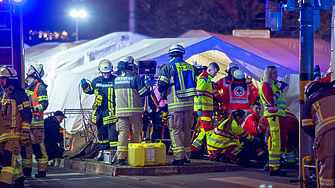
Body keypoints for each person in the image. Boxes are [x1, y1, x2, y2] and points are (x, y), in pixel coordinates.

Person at [158, 44, 197, 166]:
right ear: (182, 53)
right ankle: (187, 156)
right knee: (187, 129)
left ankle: (179, 158)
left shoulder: (168, 67)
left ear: (171, 54)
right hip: (189, 105)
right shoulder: (190, 67)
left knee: (175, 130)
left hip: (175, 104)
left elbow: (161, 86)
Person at [114, 56, 151, 165]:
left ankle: (120, 159)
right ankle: (134, 158)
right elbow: (143, 92)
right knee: (135, 134)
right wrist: (148, 85)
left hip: (120, 113)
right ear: (129, 66)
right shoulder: (136, 79)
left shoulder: (116, 79)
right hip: (134, 112)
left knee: (122, 135)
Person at [81, 59, 119, 161]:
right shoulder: (96, 81)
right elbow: (89, 91)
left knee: (113, 136)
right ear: (100, 71)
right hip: (99, 114)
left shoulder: (116, 80)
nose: (106, 75)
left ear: (111, 71)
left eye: (107, 73)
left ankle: (114, 155)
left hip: (112, 113)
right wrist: (84, 85)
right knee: (102, 135)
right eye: (104, 73)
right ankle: (103, 153)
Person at [0, 66, 31, 188]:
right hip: (4, 135)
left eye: (3, 78)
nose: (0, 80)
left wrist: (25, 133)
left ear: (11, 79)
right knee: (9, 157)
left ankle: (4, 183)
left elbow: (27, 115)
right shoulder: (3, 94)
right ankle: (19, 178)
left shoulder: (19, 94)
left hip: (15, 134)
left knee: (8, 159)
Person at [302, 80, 335, 188]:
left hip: (327, 132)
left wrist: (318, 138)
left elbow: (307, 126)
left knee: (328, 164)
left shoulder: (310, 100)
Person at [259, 65, 287, 176]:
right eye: (274, 73)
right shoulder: (266, 85)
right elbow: (271, 101)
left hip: (276, 116)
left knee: (277, 141)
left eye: (277, 72)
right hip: (273, 116)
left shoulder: (271, 85)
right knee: (276, 141)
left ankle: (273, 165)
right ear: (269, 74)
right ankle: (274, 168)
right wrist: (280, 90)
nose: (277, 75)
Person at [22, 62, 49, 178]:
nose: (28, 70)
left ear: (35, 73)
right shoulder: (26, 86)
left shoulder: (40, 87)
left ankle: (42, 171)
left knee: (38, 148)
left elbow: (44, 104)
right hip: (27, 123)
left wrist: (32, 109)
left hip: (36, 124)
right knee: (26, 147)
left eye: (31, 69)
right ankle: (27, 170)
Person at [190, 62, 220, 159]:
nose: (215, 75)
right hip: (203, 110)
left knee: (205, 131)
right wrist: (199, 109)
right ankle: (209, 152)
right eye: (215, 73)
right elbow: (198, 94)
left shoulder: (206, 79)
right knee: (208, 131)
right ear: (210, 70)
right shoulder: (203, 79)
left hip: (206, 110)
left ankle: (194, 148)